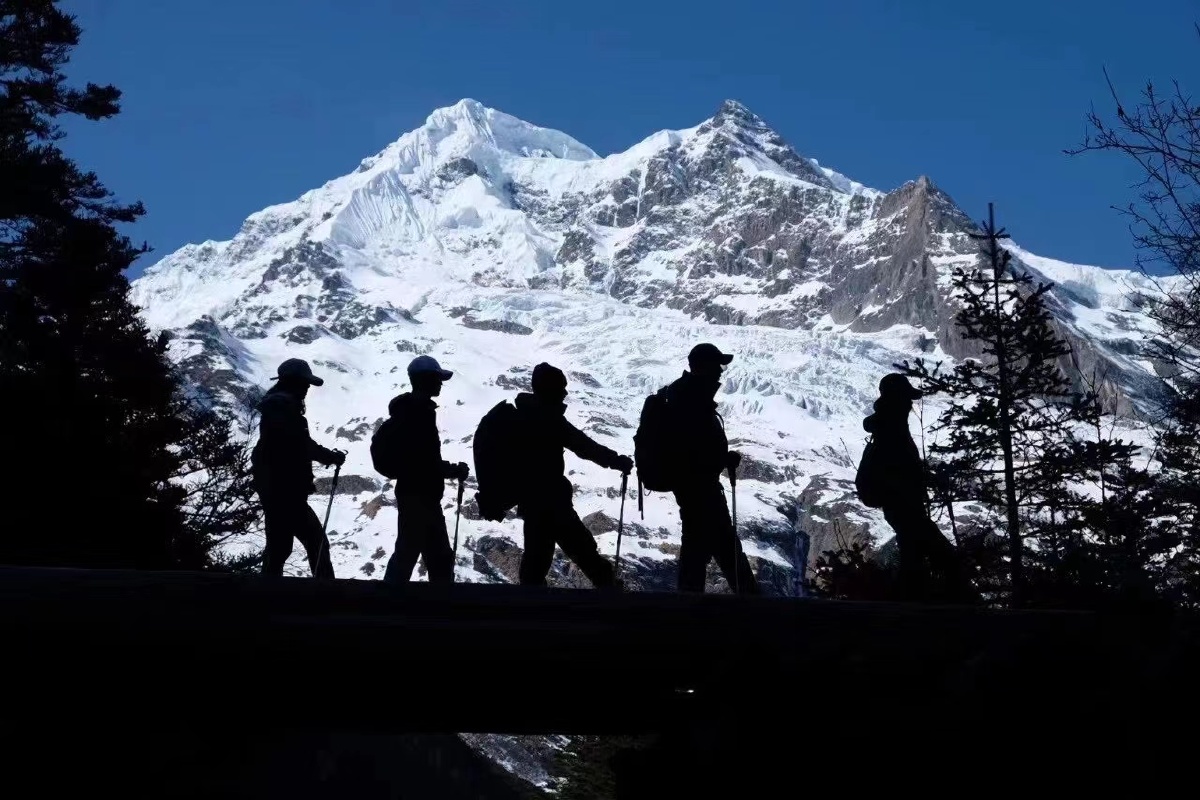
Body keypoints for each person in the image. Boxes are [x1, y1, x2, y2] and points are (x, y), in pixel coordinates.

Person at [512, 363, 633, 588]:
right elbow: (584, 446)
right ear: (550, 389)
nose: (565, 393)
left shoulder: (524, 416)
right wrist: (617, 461)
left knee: (536, 558)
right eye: (561, 388)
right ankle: (609, 591)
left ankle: (529, 602)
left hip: (531, 502)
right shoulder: (549, 419)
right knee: (583, 549)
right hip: (552, 501)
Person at [863, 373, 972, 602]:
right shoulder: (892, 430)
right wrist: (925, 480)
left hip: (901, 508)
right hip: (906, 508)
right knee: (942, 559)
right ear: (897, 399)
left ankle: (909, 609)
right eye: (906, 398)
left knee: (913, 562)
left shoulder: (888, 427)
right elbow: (900, 471)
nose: (910, 404)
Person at [666, 343, 759, 594]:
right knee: (722, 546)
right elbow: (694, 449)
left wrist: (720, 458)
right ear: (704, 367)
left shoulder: (683, 395)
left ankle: (688, 605)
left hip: (692, 487)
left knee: (697, 547)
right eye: (716, 365)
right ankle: (753, 606)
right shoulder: (692, 399)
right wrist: (721, 459)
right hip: (700, 488)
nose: (720, 371)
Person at [378, 356, 469, 584]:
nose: (440, 384)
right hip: (420, 496)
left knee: (413, 554)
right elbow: (425, 462)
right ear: (426, 380)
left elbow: (422, 460)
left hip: (415, 494)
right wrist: (452, 470)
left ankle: (389, 598)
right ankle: (430, 600)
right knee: (426, 556)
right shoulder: (418, 414)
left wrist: (447, 470)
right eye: (437, 379)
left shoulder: (412, 412)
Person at [251, 358, 345, 578]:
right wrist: (330, 457)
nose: (307, 389)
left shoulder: (277, 408)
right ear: (293, 383)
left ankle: (265, 591)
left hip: (276, 490)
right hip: (286, 492)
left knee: (279, 546)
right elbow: (301, 444)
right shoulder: (284, 410)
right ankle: (325, 591)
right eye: (304, 384)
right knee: (315, 542)